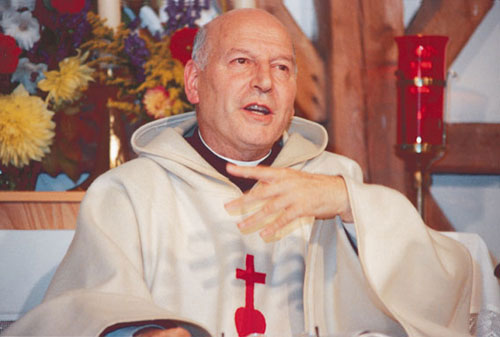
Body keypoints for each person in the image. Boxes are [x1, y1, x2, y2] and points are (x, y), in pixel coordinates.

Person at [3, 8, 475, 337]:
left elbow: (447, 289)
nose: (265, 81)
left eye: (282, 67)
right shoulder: (129, 193)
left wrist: (353, 204)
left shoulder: (334, 179)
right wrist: (141, 331)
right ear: (194, 82)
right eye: (242, 61)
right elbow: (78, 311)